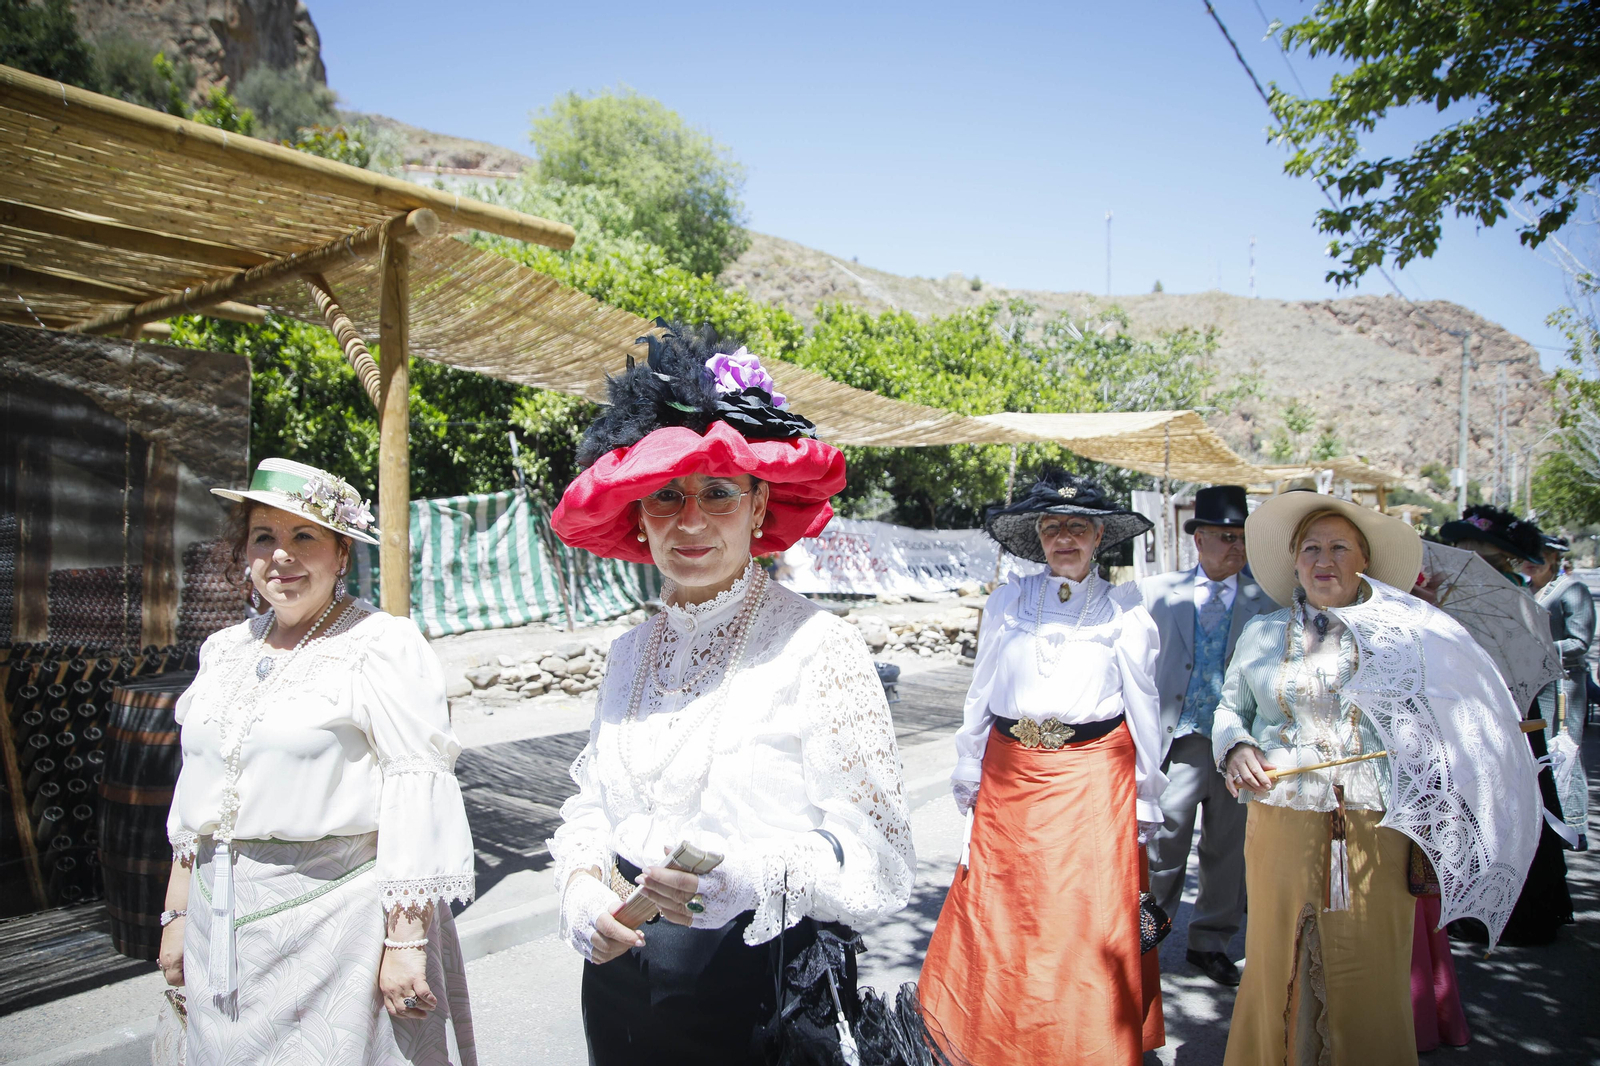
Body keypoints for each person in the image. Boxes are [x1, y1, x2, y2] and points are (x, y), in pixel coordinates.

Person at [546, 325, 914, 1064]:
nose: (689, 521)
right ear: (637, 515)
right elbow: (594, 806)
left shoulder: (819, 647)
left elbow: (880, 854)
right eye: (664, 496)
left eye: (717, 493)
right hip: (619, 989)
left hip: (758, 989)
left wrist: (751, 879)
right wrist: (581, 890)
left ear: (759, 504)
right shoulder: (628, 654)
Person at [160, 458, 477, 1065]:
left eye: (304, 536)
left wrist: (405, 943)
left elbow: (416, 788)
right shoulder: (224, 650)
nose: (281, 555)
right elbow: (195, 797)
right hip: (218, 928)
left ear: (341, 553)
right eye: (264, 537)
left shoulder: (380, 645)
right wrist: (176, 913)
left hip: (335, 927)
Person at [1213, 492, 1541, 1066]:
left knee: (1369, 967)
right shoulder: (1262, 634)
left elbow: (1440, 721)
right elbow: (1228, 709)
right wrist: (1236, 747)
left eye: (1340, 547)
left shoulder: (1403, 638)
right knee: (1276, 958)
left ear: (1364, 560)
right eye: (1311, 548)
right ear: (1294, 561)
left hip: (1375, 825)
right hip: (1280, 820)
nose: (1324, 560)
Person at [918, 468, 1167, 1066]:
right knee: (1005, 907)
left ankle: (1083, 1045)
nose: (1065, 539)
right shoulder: (1007, 602)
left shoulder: (1125, 612)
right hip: (1010, 773)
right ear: (1038, 536)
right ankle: (995, 1040)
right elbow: (981, 689)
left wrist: (1147, 792)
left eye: (1078, 527)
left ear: (1099, 536)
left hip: (1091, 778)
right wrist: (968, 762)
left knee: (1081, 914)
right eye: (1053, 527)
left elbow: (1144, 708)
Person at [1139, 485, 1277, 987]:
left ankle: (1210, 943)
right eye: (1225, 536)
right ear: (1198, 540)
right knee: (1163, 842)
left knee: (1229, 849)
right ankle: (1146, 935)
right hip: (1179, 742)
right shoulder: (1155, 594)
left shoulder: (1269, 602)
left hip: (1241, 747)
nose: (1236, 546)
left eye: (1243, 538)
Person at [1439, 505, 1576, 943]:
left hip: (1503, 711)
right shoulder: (1456, 591)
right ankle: (1471, 905)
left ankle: (1514, 910)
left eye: (1472, 546)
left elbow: (1499, 657)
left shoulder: (1506, 596)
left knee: (1506, 806)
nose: (1462, 551)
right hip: (1472, 710)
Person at [1524, 533, 1593, 847]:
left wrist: (1540, 647)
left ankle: (1575, 825)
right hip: (1535, 681)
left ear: (1554, 558)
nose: (1531, 563)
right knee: (1542, 751)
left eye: (1538, 556)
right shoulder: (1523, 590)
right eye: (1527, 556)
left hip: (1565, 683)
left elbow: (1580, 642)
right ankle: (1549, 822)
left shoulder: (1572, 589)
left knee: (1566, 748)